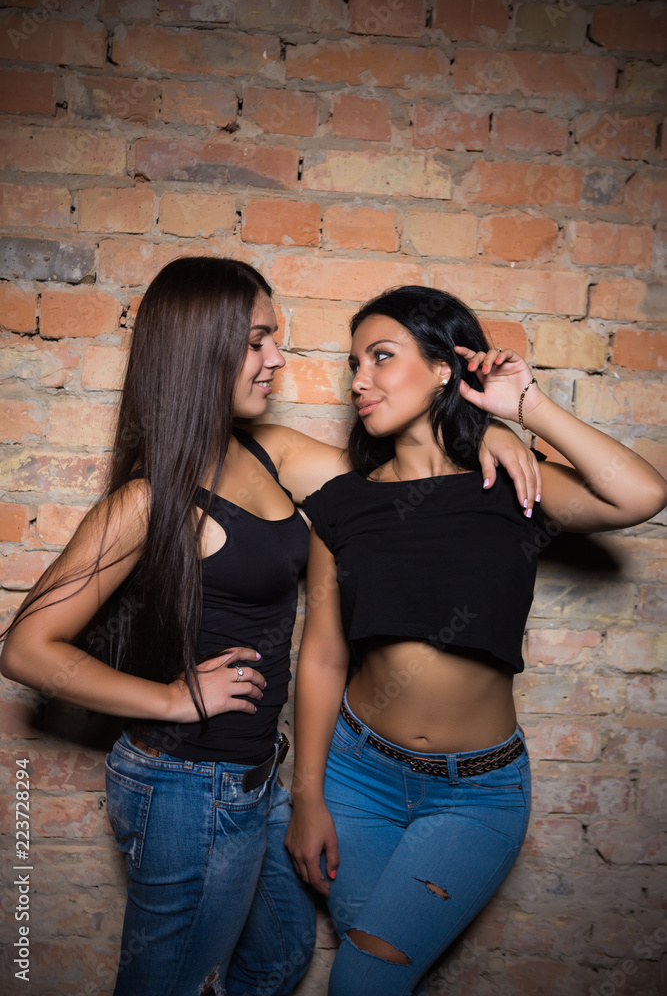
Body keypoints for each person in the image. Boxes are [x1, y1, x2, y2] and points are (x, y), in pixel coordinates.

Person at [0, 262, 541, 996]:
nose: (278, 360)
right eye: (258, 341)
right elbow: (26, 648)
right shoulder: (148, 500)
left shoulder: (267, 452)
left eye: (274, 340)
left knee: (281, 957)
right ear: (205, 349)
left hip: (255, 778)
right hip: (185, 784)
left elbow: (401, 487)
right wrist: (168, 700)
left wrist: (485, 434)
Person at [284, 285, 667, 996]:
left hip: (476, 793)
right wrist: (307, 797)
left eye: (381, 357)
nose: (359, 379)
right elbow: (323, 656)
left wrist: (525, 409)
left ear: (441, 370)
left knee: (361, 979)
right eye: (353, 364)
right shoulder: (342, 505)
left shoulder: (510, 484)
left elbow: (638, 496)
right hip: (355, 778)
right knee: (381, 979)